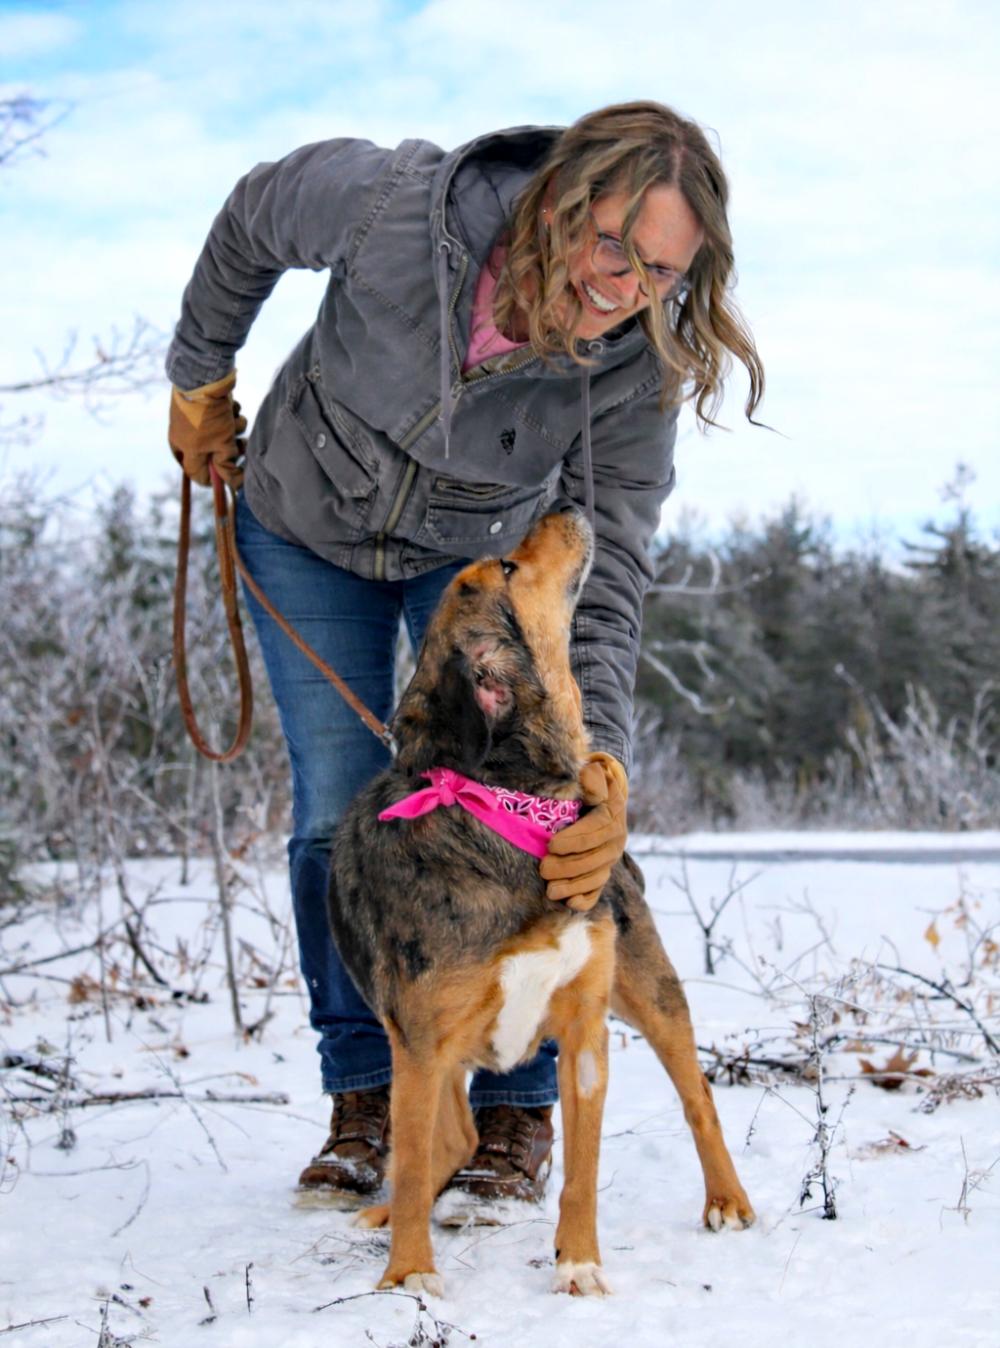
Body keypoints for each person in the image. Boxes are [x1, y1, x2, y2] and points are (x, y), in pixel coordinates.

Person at [166, 100, 764, 1214]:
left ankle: (513, 1111)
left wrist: (600, 771)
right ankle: (369, 1100)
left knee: (521, 808)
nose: (622, 285)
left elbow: (609, 568)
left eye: (660, 271)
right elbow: (252, 216)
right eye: (611, 244)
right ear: (561, 197)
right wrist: (201, 375)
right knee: (342, 811)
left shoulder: (634, 373)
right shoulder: (394, 207)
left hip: (478, 567)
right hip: (308, 533)